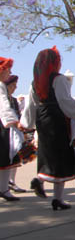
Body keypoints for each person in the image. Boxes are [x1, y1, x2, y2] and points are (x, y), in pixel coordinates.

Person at [20, 47, 75, 209]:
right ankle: (53, 194)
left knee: (48, 153)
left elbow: (31, 105)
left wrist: (27, 123)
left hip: (42, 118)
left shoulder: (35, 83)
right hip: (57, 118)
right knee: (61, 156)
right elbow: (65, 101)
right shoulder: (59, 79)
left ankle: (52, 193)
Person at [0, 58, 22, 201]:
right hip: (2, 125)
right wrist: (14, 122)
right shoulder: (0, 85)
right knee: (5, 157)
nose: (10, 72)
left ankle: (4, 188)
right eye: (9, 70)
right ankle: (3, 189)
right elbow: (3, 105)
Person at [4, 75, 27, 193]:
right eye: (12, 85)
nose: (15, 88)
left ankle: (11, 181)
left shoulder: (13, 100)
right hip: (4, 131)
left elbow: (18, 114)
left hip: (14, 133)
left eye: (15, 85)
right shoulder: (3, 99)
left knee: (14, 158)